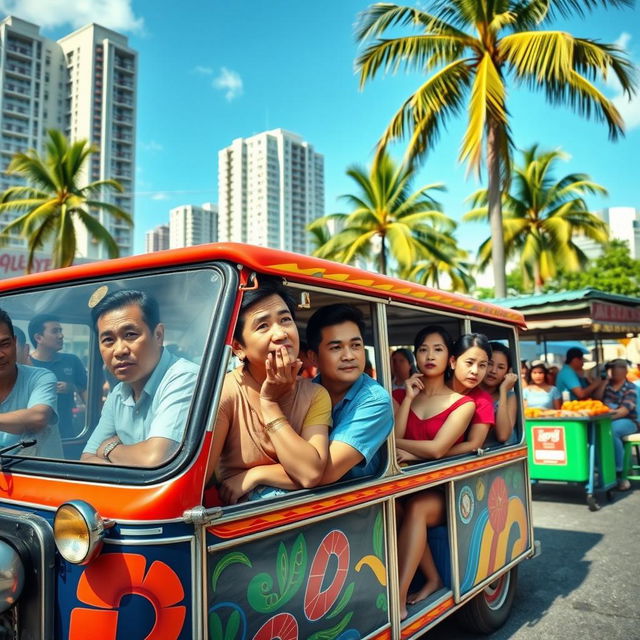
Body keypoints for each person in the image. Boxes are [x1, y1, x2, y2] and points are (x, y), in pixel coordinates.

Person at [206, 278, 331, 504]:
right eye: (263, 326)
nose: (281, 333)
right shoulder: (226, 392)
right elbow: (201, 478)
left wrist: (269, 403)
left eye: (285, 320)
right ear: (238, 348)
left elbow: (310, 473)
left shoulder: (315, 395)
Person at [393, 325, 475, 618]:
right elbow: (395, 435)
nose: (429, 355)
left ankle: (398, 598)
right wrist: (408, 398)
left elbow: (438, 449)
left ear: (451, 359)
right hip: (402, 486)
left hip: (444, 490)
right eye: (423, 349)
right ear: (415, 356)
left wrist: (400, 446)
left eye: (438, 349)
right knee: (398, 509)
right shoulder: (400, 395)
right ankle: (433, 578)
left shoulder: (463, 404)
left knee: (415, 507)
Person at [81, 290, 199, 467]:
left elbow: (155, 459)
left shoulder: (184, 378)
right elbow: (87, 459)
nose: (119, 350)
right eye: (108, 339)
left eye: (130, 335)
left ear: (158, 335)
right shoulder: (118, 394)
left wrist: (109, 448)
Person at [0, 308, 61, 458]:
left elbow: (38, 418)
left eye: (5, 344)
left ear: (15, 343)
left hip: (40, 475)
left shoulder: (40, 377)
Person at [28, 313, 87, 439]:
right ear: (38, 338)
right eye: (55, 331)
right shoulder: (26, 364)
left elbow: (87, 394)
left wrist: (72, 388)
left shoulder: (72, 361)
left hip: (68, 433)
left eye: (60, 331)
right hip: (34, 435)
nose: (61, 335)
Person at [593, 358, 638, 491]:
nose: (612, 370)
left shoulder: (631, 388)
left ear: (624, 370)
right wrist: (604, 381)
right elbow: (596, 399)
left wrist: (607, 417)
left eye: (615, 367)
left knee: (611, 431)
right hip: (607, 418)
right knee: (595, 431)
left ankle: (620, 472)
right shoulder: (607, 385)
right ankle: (600, 470)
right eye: (610, 368)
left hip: (629, 421)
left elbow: (624, 411)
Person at [446, 334, 496, 455]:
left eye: (482, 365)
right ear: (453, 362)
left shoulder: (482, 401)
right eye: (469, 363)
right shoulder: (432, 389)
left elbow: (474, 444)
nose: (475, 371)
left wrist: (424, 456)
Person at [482, 342, 519, 444]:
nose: (493, 371)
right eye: (489, 364)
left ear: (508, 372)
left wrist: (503, 390)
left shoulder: (510, 397)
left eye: (501, 367)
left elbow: (503, 436)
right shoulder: (470, 393)